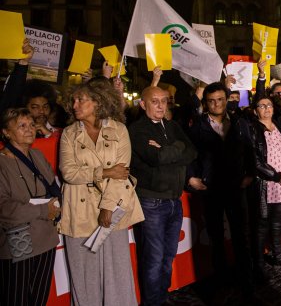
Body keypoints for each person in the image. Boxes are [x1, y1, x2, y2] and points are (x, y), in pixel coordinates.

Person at [58, 78, 144, 305]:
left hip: (113, 208)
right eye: (73, 100)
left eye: (80, 100)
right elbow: (69, 173)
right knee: (84, 277)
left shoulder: (119, 129)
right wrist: (104, 172)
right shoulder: (68, 134)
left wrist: (107, 208)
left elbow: (122, 174)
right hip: (78, 211)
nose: (74, 105)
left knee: (117, 274)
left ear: (97, 101)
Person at [129, 86, 197, 305]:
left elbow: (192, 152)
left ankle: (162, 296)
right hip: (151, 203)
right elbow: (155, 158)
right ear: (142, 104)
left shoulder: (173, 126)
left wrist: (168, 149)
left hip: (173, 202)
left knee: (168, 257)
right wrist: (176, 149)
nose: (160, 106)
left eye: (164, 101)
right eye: (154, 101)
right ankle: (153, 302)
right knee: (153, 259)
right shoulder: (137, 130)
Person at [188, 82, 255, 292]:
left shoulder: (239, 122)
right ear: (205, 103)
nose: (216, 104)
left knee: (240, 236)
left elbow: (250, 150)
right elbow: (189, 155)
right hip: (212, 189)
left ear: (226, 100)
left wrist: (250, 175)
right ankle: (222, 282)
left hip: (235, 187)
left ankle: (245, 282)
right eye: (211, 101)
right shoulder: (197, 126)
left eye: (220, 99)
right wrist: (191, 178)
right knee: (216, 237)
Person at [0, 108, 61, 306]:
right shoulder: (2, 162)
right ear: (6, 133)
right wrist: (44, 210)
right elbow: (4, 209)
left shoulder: (37, 155)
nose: (29, 130)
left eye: (32, 125)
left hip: (46, 236)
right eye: (22, 126)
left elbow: (54, 189)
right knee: (17, 298)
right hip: (19, 236)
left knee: (39, 298)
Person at [249, 95, 281, 279]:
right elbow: (256, 161)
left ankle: (278, 255)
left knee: (279, 223)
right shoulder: (253, 129)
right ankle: (259, 263)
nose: (267, 108)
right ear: (255, 111)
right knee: (261, 226)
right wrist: (277, 176)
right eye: (261, 106)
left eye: (269, 105)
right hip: (265, 184)